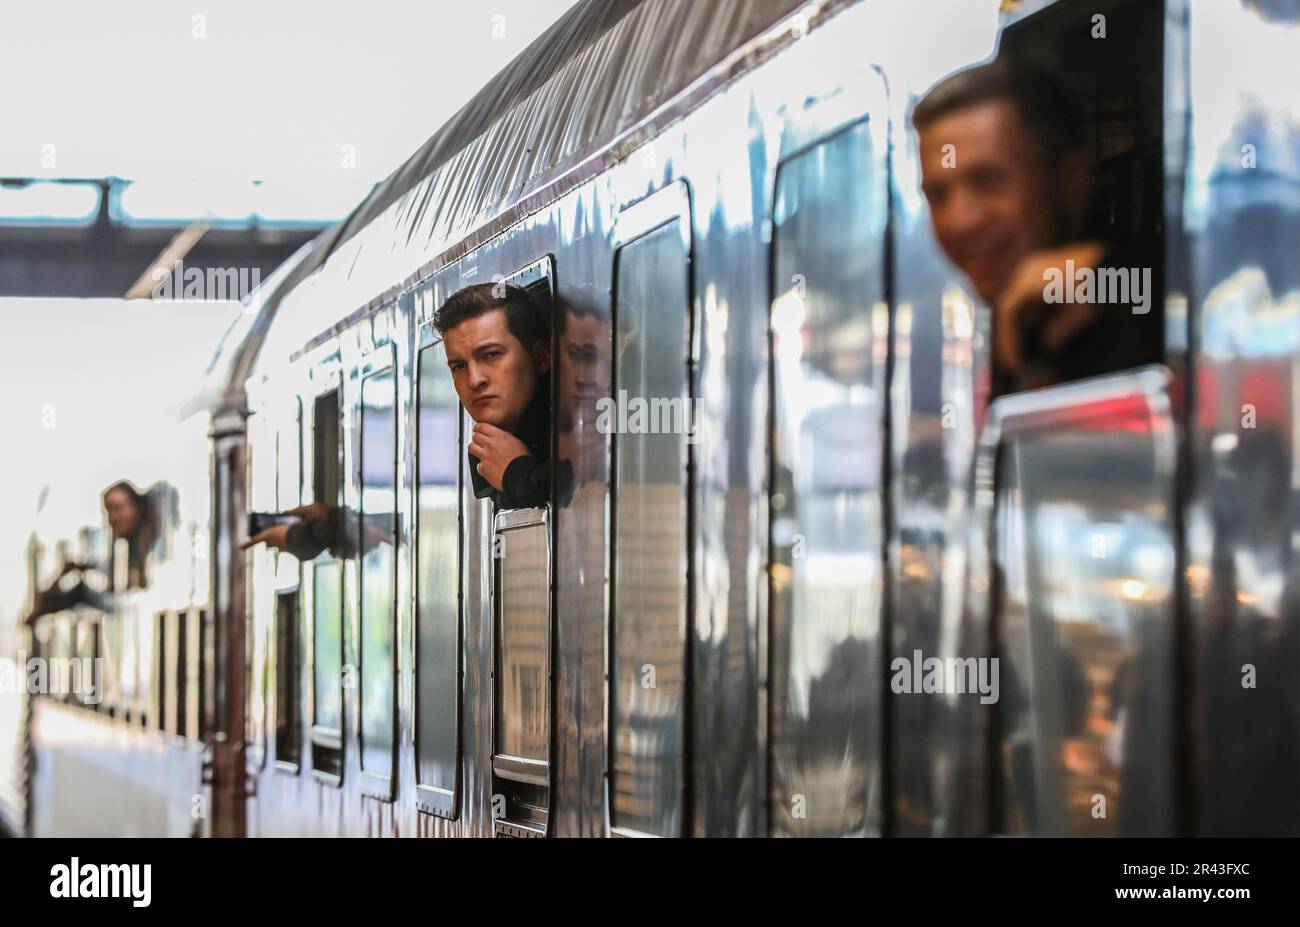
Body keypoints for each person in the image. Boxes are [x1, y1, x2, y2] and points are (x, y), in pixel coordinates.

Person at [913, 58, 1161, 395]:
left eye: (989, 181)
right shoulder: (976, 333)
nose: (961, 221)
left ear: (1073, 179)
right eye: (938, 195)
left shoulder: (1143, 293)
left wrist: (1107, 278)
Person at [435, 282, 552, 510]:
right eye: (459, 366)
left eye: (491, 355)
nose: (474, 380)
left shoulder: (583, 435)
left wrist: (520, 478)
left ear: (540, 357)